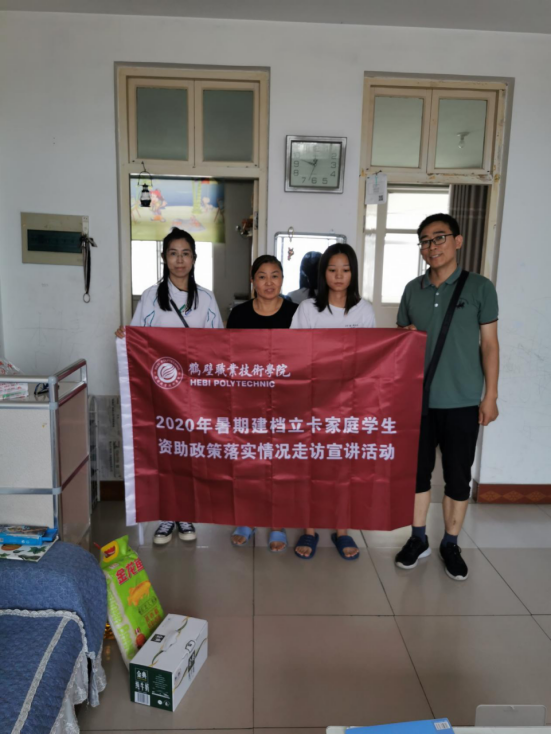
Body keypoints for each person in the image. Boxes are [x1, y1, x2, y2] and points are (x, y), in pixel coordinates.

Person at [394, 213, 499, 581]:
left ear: (458, 240)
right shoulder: (413, 289)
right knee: (417, 476)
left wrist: (491, 395)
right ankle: (418, 538)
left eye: (439, 238)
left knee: (457, 478)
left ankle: (450, 543)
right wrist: (405, 334)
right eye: (424, 241)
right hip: (416, 401)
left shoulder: (480, 288)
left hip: (463, 400)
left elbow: (489, 344)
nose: (431, 246)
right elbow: (400, 343)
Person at [116, 227, 223, 546]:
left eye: (185, 253)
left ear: (194, 258)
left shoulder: (206, 298)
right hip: (161, 389)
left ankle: (185, 513)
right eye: (173, 253)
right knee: (165, 450)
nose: (179, 260)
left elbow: (218, 341)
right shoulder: (151, 296)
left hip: (194, 391)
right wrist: (125, 337)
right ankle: (166, 516)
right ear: (164, 258)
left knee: (188, 451)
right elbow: (138, 337)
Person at [291, 243, 376, 560]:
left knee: (344, 467)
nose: (339, 276)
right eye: (332, 269)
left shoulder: (363, 310)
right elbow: (294, 353)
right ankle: (309, 528)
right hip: (312, 401)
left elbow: (370, 357)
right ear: (322, 273)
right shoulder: (308, 309)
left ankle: (343, 529)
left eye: (345, 269)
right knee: (311, 466)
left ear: (354, 273)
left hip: (349, 404)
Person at [227, 255, 298, 552]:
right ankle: (248, 518)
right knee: (248, 460)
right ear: (252, 280)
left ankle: (277, 523)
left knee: (279, 460)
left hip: (287, 398)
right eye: (262, 276)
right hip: (248, 398)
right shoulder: (239, 314)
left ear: (282, 279)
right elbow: (226, 355)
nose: (269, 282)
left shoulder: (296, 313)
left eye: (275, 275)